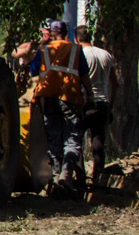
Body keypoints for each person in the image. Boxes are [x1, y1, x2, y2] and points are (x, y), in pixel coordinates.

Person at [29, 20, 92, 195]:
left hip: (48, 96)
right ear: (66, 32)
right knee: (72, 138)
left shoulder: (43, 50)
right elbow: (84, 76)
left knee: (54, 137)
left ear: (51, 32)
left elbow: (33, 72)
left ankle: (56, 178)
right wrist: (91, 96)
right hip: (70, 96)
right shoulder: (75, 49)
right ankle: (66, 173)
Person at [74, 25, 118, 179]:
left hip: (86, 104)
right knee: (98, 144)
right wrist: (110, 107)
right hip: (103, 104)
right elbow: (115, 84)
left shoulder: (80, 55)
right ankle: (98, 178)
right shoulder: (106, 54)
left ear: (76, 39)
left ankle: (80, 179)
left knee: (76, 142)